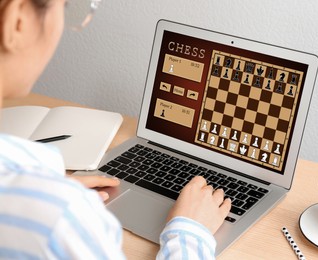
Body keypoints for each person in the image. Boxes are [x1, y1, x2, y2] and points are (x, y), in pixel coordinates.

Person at [0, 0, 231, 259]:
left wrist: (41, 189)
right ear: (17, 22)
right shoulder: (60, 221)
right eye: (64, 6)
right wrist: (191, 232)